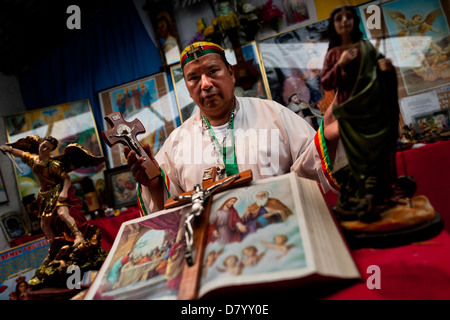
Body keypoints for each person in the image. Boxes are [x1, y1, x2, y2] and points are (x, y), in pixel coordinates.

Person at [125, 41, 342, 216]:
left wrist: (327, 138)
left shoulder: (274, 115)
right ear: (188, 91)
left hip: (281, 230)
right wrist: (154, 186)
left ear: (231, 73)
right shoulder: (176, 143)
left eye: (213, 71)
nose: (206, 84)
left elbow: (310, 171)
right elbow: (172, 213)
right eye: (193, 78)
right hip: (214, 253)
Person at [320, 5, 401, 222]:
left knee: (378, 152)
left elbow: (381, 71)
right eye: (339, 18)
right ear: (334, 25)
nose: (344, 21)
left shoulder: (367, 47)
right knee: (359, 156)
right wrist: (341, 64)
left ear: (354, 21)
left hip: (373, 109)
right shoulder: (333, 54)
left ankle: (383, 193)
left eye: (348, 17)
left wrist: (386, 69)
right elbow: (326, 81)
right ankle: (366, 195)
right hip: (349, 111)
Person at [0, 136, 85, 247]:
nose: (44, 149)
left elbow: (66, 178)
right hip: (45, 195)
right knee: (44, 224)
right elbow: (21, 153)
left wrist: (64, 192)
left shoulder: (54, 165)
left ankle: (79, 236)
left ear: (50, 151)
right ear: (40, 144)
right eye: (43, 145)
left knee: (63, 213)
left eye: (47, 148)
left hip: (57, 191)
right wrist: (9, 149)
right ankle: (54, 244)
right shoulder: (33, 159)